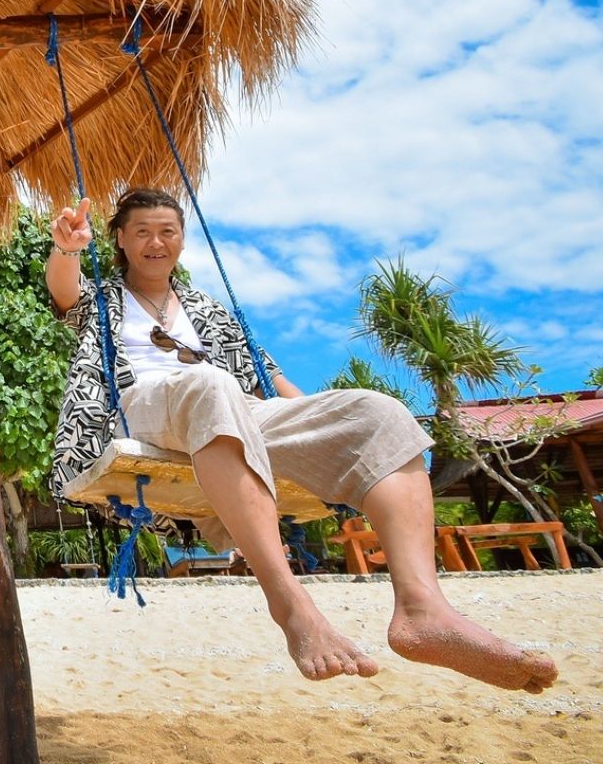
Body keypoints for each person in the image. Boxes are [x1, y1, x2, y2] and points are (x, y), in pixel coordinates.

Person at [45, 189, 558, 694]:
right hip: (143, 409)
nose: (156, 242)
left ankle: (425, 612)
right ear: (119, 239)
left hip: (230, 410)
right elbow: (65, 291)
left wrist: (325, 429)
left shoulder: (209, 309)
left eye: (167, 232)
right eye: (142, 232)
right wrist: (68, 248)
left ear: (181, 240)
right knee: (211, 383)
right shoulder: (103, 297)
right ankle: (291, 604)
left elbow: (269, 376)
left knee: (376, 413)